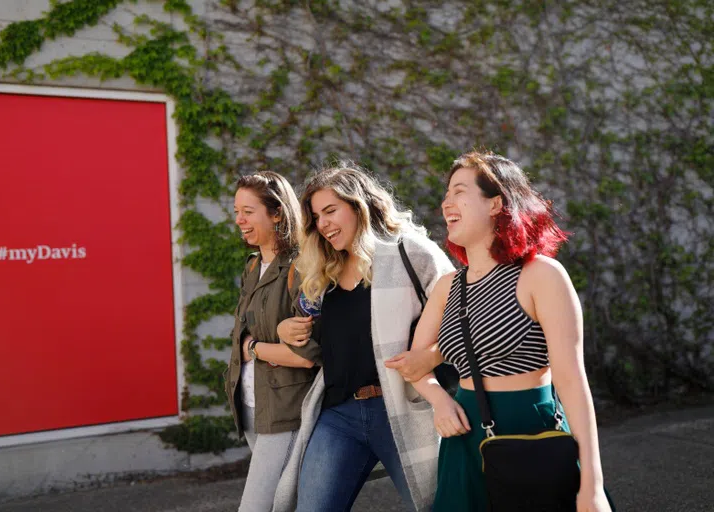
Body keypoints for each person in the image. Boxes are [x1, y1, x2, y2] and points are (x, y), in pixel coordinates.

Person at [387, 150, 614, 511]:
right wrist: (440, 400)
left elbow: (572, 381)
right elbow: (414, 366)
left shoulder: (541, 275)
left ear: (496, 204)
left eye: (459, 191)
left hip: (532, 429)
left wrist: (593, 485)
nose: (447, 203)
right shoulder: (448, 286)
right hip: (463, 438)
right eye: (446, 194)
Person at [271, 163, 454, 512]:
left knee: (438, 506)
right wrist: (285, 331)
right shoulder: (324, 271)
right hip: (339, 414)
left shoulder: (409, 252)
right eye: (316, 217)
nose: (323, 224)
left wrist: (429, 357)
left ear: (359, 207)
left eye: (331, 211)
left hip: (401, 405)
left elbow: (465, 318)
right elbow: (318, 347)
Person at [224, 171, 317, 512]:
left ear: (276, 213)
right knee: (282, 505)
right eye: (237, 211)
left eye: (248, 212)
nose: (239, 220)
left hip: (284, 410)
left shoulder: (302, 268)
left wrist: (254, 349)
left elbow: (307, 355)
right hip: (251, 406)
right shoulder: (252, 267)